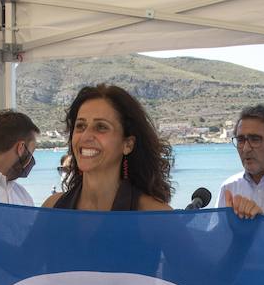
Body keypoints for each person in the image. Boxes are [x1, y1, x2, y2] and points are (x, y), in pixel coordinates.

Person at [45, 84, 174, 212]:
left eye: (101, 127)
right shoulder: (51, 208)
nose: (85, 136)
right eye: (80, 126)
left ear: (128, 144)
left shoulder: (156, 216)